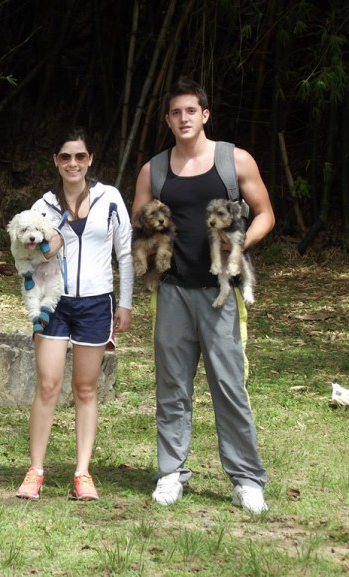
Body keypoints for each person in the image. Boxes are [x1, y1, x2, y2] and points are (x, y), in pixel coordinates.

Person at [131, 77, 275, 514]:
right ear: (168, 120)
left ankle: (247, 480)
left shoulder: (235, 160)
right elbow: (137, 218)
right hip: (171, 291)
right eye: (176, 112)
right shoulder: (154, 169)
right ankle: (171, 473)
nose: (183, 118)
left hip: (219, 293)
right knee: (172, 387)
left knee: (229, 388)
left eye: (191, 110)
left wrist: (240, 244)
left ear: (205, 115)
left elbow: (266, 213)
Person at [15, 127, 134, 501]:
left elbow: (125, 254)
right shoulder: (41, 207)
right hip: (55, 301)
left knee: (85, 389)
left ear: (90, 159)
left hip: (97, 302)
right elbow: (28, 254)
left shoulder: (110, 198)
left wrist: (125, 303)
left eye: (80, 156)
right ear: (56, 161)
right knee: (48, 385)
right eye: (65, 157)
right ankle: (35, 470)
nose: (73, 163)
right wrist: (54, 243)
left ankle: (82, 473)